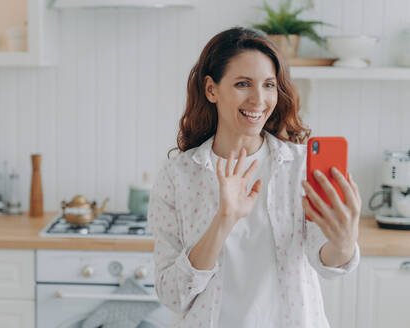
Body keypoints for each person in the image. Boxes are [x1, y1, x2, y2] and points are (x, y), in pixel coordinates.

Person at [147, 27, 361, 328]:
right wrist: (224, 219)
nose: (258, 99)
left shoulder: (300, 167)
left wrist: (344, 242)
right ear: (211, 89)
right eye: (243, 84)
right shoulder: (178, 176)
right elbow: (172, 295)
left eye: (269, 85)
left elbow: (327, 262)